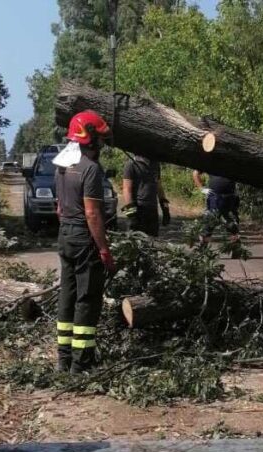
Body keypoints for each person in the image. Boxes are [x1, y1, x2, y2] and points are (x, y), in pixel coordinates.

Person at [54, 110, 117, 374]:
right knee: (87, 297)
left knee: (67, 295)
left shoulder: (61, 165)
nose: (101, 144)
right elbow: (92, 213)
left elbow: (59, 208)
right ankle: (82, 364)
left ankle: (64, 360)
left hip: (65, 234)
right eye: (99, 138)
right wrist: (103, 249)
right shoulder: (90, 170)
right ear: (88, 137)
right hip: (83, 238)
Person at [192, 170, 240, 254]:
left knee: (232, 224)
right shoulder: (212, 162)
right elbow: (195, 173)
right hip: (215, 198)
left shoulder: (233, 162)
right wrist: (201, 188)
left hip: (230, 198)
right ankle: (202, 249)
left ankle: (236, 250)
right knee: (209, 223)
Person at [121, 155, 170, 236]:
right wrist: (131, 215)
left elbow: (159, 187)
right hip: (138, 208)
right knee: (136, 241)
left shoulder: (155, 164)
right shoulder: (131, 164)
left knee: (152, 241)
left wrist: (165, 209)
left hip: (152, 209)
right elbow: (126, 190)